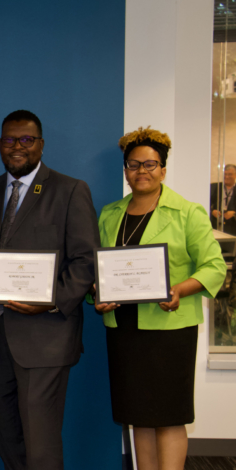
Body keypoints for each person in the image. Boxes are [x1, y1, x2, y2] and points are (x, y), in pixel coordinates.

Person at [0, 110, 99, 470]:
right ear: (0, 145)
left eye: (26, 140)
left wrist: (50, 302)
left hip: (45, 338)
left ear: (41, 144)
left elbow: (86, 261)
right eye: (10, 140)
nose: (17, 147)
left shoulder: (70, 190)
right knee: (6, 435)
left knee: (41, 444)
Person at [94, 127, 225, 470]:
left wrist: (180, 290)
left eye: (150, 164)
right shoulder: (110, 214)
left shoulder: (187, 212)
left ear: (163, 169)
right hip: (124, 328)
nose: (142, 172)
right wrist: (98, 291)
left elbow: (214, 267)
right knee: (138, 415)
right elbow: (100, 268)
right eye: (133, 164)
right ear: (125, 170)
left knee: (168, 415)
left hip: (169, 329)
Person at [210, 163, 236, 234]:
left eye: (230, 174)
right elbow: (204, 203)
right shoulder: (214, 187)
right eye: (225, 174)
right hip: (214, 227)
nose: (227, 177)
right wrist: (212, 212)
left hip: (232, 229)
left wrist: (234, 214)